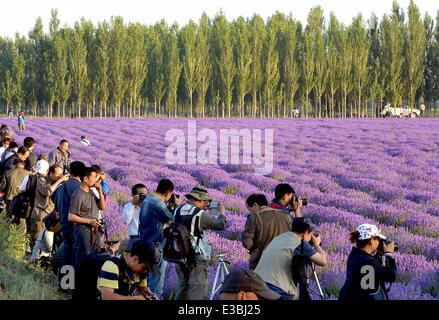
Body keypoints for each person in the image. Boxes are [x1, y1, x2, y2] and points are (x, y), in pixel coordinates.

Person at [254, 217, 327, 300]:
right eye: (311, 234)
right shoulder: (300, 243)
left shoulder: (279, 238)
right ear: (305, 233)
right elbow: (323, 261)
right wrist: (316, 244)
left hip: (257, 283)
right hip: (278, 289)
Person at [174, 186, 227, 300]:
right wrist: (222, 212)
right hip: (196, 257)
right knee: (197, 290)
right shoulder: (200, 214)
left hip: (180, 255)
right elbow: (220, 225)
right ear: (199, 200)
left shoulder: (178, 210)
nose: (206, 204)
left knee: (183, 288)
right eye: (205, 201)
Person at [139, 178, 179, 299]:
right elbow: (171, 220)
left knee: (146, 280)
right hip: (155, 246)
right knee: (156, 281)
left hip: (145, 242)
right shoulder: (158, 203)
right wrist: (176, 205)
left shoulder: (148, 199)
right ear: (168, 193)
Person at [338, 224, 397, 301]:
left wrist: (378, 254)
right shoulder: (368, 261)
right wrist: (388, 254)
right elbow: (391, 275)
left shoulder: (354, 255)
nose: (380, 242)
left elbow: (375, 270)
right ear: (372, 241)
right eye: (378, 239)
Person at [241, 193, 293, 270]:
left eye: (249, 209)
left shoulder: (254, 218)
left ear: (255, 205)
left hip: (262, 263)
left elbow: (247, 244)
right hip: (284, 262)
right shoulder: (286, 216)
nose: (250, 212)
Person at [68, 166, 106, 268]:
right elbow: (71, 216)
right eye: (94, 177)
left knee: (93, 258)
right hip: (82, 231)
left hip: (94, 230)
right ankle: (77, 282)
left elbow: (102, 206)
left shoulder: (92, 192)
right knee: (82, 258)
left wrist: (100, 191)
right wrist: (89, 221)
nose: (96, 179)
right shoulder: (78, 195)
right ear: (85, 179)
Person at [52, 161, 86, 267]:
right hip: (77, 225)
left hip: (64, 224)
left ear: (69, 171)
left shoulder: (61, 186)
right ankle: (70, 281)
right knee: (75, 256)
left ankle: (64, 280)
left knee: (67, 252)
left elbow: (55, 203)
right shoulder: (81, 188)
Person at [30, 163, 68, 247]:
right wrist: (60, 180)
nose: (59, 177)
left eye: (61, 175)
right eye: (57, 175)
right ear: (50, 173)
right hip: (39, 215)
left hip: (51, 216)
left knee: (47, 243)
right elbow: (47, 192)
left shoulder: (57, 183)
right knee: (36, 239)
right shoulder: (42, 180)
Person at [122, 183, 148, 250]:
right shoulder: (128, 206)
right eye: (141, 195)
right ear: (134, 195)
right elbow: (126, 221)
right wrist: (133, 205)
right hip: (135, 239)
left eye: (145, 195)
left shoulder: (149, 206)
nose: (143, 197)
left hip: (148, 239)